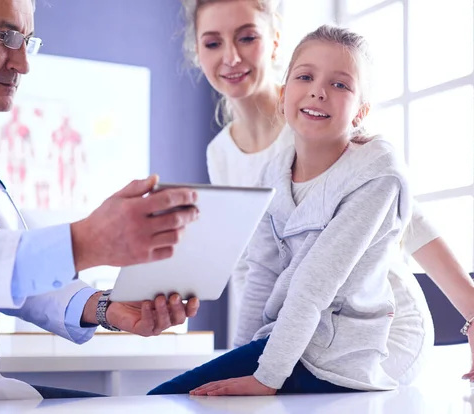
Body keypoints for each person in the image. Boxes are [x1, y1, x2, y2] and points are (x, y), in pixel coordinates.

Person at [0, 0, 200, 403]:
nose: (23, 64)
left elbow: (5, 268)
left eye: (27, 41)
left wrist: (105, 308)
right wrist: (83, 242)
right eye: (6, 37)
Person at [181, 0, 474, 369]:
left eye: (246, 38)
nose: (231, 57)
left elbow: (406, 217)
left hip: (369, 327)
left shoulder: (317, 118)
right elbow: (251, 266)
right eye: (212, 43)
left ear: (274, 41)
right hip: (293, 336)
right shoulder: (220, 152)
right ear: (197, 51)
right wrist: (242, 355)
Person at [149, 23, 434, 396]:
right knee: (167, 397)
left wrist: (265, 377)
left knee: (166, 399)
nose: (318, 90)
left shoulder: (376, 171)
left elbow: (314, 285)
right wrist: (241, 358)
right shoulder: (275, 172)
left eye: (340, 84)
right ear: (284, 96)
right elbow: (261, 272)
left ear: (360, 112)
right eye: (305, 76)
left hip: (342, 356)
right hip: (291, 343)